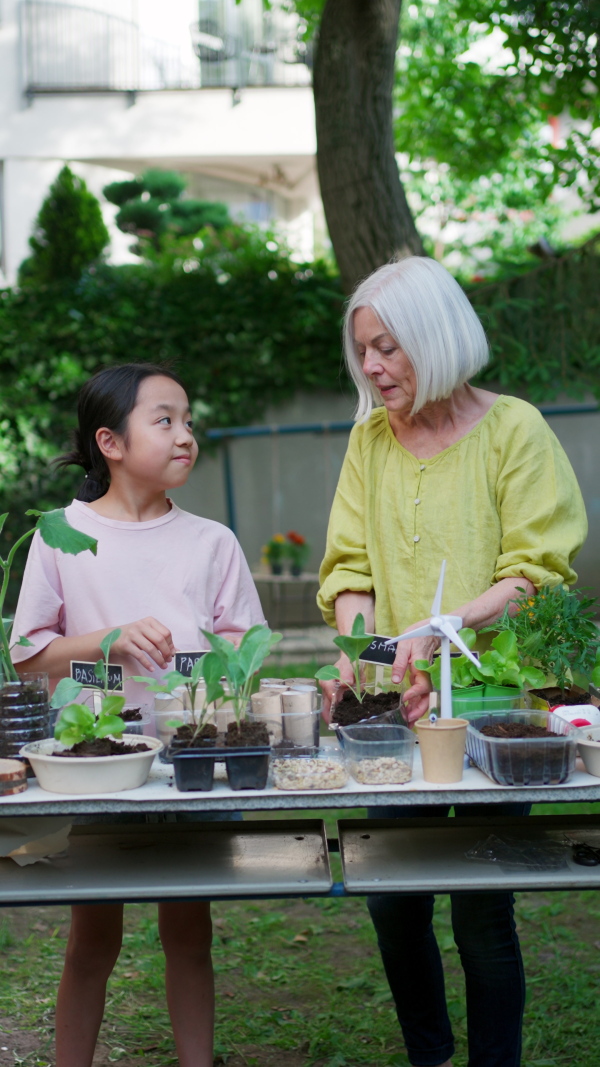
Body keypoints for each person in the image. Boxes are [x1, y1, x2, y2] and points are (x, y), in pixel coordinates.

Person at [317, 257, 587, 1067]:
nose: (372, 366)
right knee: (393, 904)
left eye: (389, 347)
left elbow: (536, 574)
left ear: (435, 339)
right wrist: (373, 662)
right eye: (364, 348)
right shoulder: (369, 441)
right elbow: (350, 573)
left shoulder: (515, 430)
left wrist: (441, 627)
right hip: (397, 716)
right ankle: (430, 1056)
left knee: (480, 908)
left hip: (490, 712)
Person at [12, 363, 265, 1067]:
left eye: (188, 419)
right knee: (93, 936)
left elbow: (246, 645)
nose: (185, 435)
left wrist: (213, 661)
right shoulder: (61, 533)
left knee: (190, 930)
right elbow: (28, 655)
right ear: (110, 441)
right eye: (165, 420)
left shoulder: (213, 542)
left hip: (189, 761)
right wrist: (110, 638)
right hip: (97, 767)